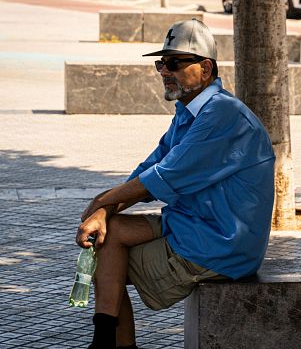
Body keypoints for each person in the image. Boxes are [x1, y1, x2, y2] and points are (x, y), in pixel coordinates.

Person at [75, 18, 275, 349]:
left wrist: (100, 205)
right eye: (160, 63)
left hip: (220, 244)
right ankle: (107, 341)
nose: (164, 71)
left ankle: (105, 342)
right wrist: (105, 209)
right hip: (192, 224)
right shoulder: (189, 113)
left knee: (107, 251)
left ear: (206, 69)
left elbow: (163, 177)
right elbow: (149, 167)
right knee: (107, 233)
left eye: (174, 63)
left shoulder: (222, 115)